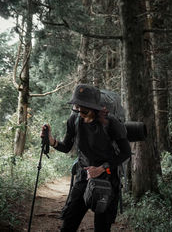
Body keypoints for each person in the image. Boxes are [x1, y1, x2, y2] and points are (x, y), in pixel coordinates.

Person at [42, 84, 131, 232]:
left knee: (102, 227)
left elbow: (125, 152)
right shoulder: (74, 120)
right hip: (83, 176)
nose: (79, 112)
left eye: (84, 109)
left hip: (107, 178)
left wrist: (102, 168)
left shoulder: (111, 123)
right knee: (69, 222)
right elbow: (65, 147)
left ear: (95, 109)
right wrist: (51, 140)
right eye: (77, 107)